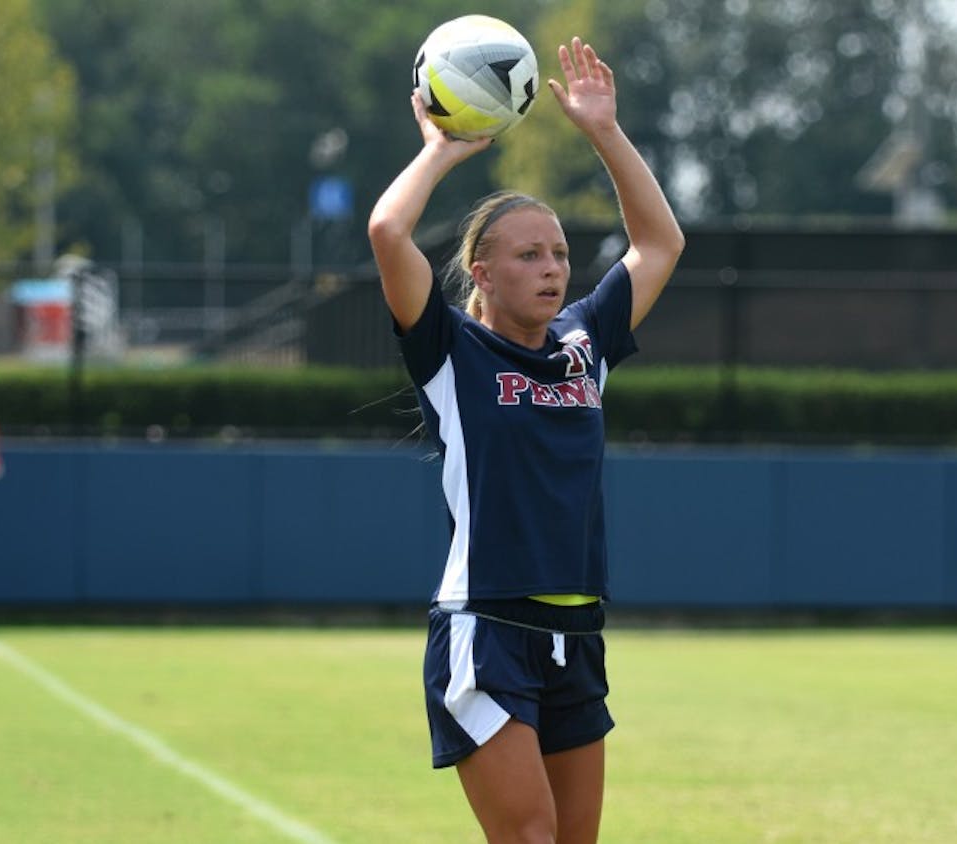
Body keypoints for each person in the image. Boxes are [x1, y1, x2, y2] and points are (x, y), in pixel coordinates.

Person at [367, 35, 684, 844]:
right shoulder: (452, 354)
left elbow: (660, 246)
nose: (552, 269)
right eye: (529, 255)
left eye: (561, 255)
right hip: (486, 627)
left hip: (577, 631)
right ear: (481, 270)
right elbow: (387, 233)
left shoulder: (584, 346)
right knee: (530, 838)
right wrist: (441, 149)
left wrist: (605, 133)